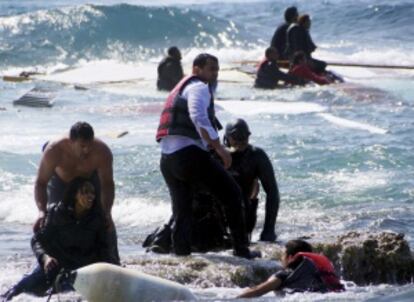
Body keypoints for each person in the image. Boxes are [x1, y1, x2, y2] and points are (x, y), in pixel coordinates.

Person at [156, 53, 258, 259]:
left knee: (182, 208)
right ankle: (241, 249)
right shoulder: (199, 87)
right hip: (188, 156)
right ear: (196, 70)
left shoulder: (181, 87)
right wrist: (219, 147)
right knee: (232, 194)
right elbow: (198, 116)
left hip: (167, 159)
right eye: (211, 69)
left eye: (217, 70)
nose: (214, 74)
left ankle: (181, 254)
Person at [1, 178, 116, 301]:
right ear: (75, 194)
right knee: (15, 292)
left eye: (92, 193)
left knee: (70, 298)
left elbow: (105, 251)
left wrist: (111, 275)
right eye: (85, 192)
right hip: (52, 267)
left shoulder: (97, 220)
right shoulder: (56, 213)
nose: (90, 196)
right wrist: (45, 259)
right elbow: (37, 240)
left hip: (79, 273)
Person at [33, 121, 120, 264]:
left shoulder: (102, 152)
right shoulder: (54, 150)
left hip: (89, 181)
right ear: (71, 142)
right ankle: (49, 264)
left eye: (90, 145)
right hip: (61, 183)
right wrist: (41, 211)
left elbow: (107, 184)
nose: (87, 150)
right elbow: (41, 182)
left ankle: (112, 262)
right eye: (82, 146)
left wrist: (107, 212)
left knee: (103, 222)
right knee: (51, 221)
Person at [224, 119, 280, 242]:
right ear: (227, 138)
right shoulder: (218, 154)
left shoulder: (256, 156)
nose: (241, 140)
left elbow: (272, 192)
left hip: (245, 211)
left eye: (245, 136)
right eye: (236, 136)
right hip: (219, 211)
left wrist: (268, 230)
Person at [237, 239, 344, 298]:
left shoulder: (284, 275)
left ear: (291, 257)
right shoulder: (319, 273)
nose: (281, 258)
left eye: (283, 254)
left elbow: (257, 291)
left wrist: (234, 299)